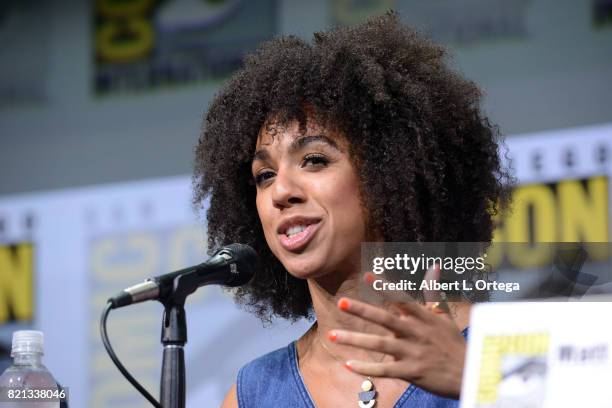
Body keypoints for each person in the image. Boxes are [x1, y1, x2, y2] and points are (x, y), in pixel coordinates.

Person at [193, 12, 509, 408]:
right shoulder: (254, 395)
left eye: (314, 160)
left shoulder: (504, 349)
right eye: (265, 175)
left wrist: (478, 380)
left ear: (389, 170)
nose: (281, 191)